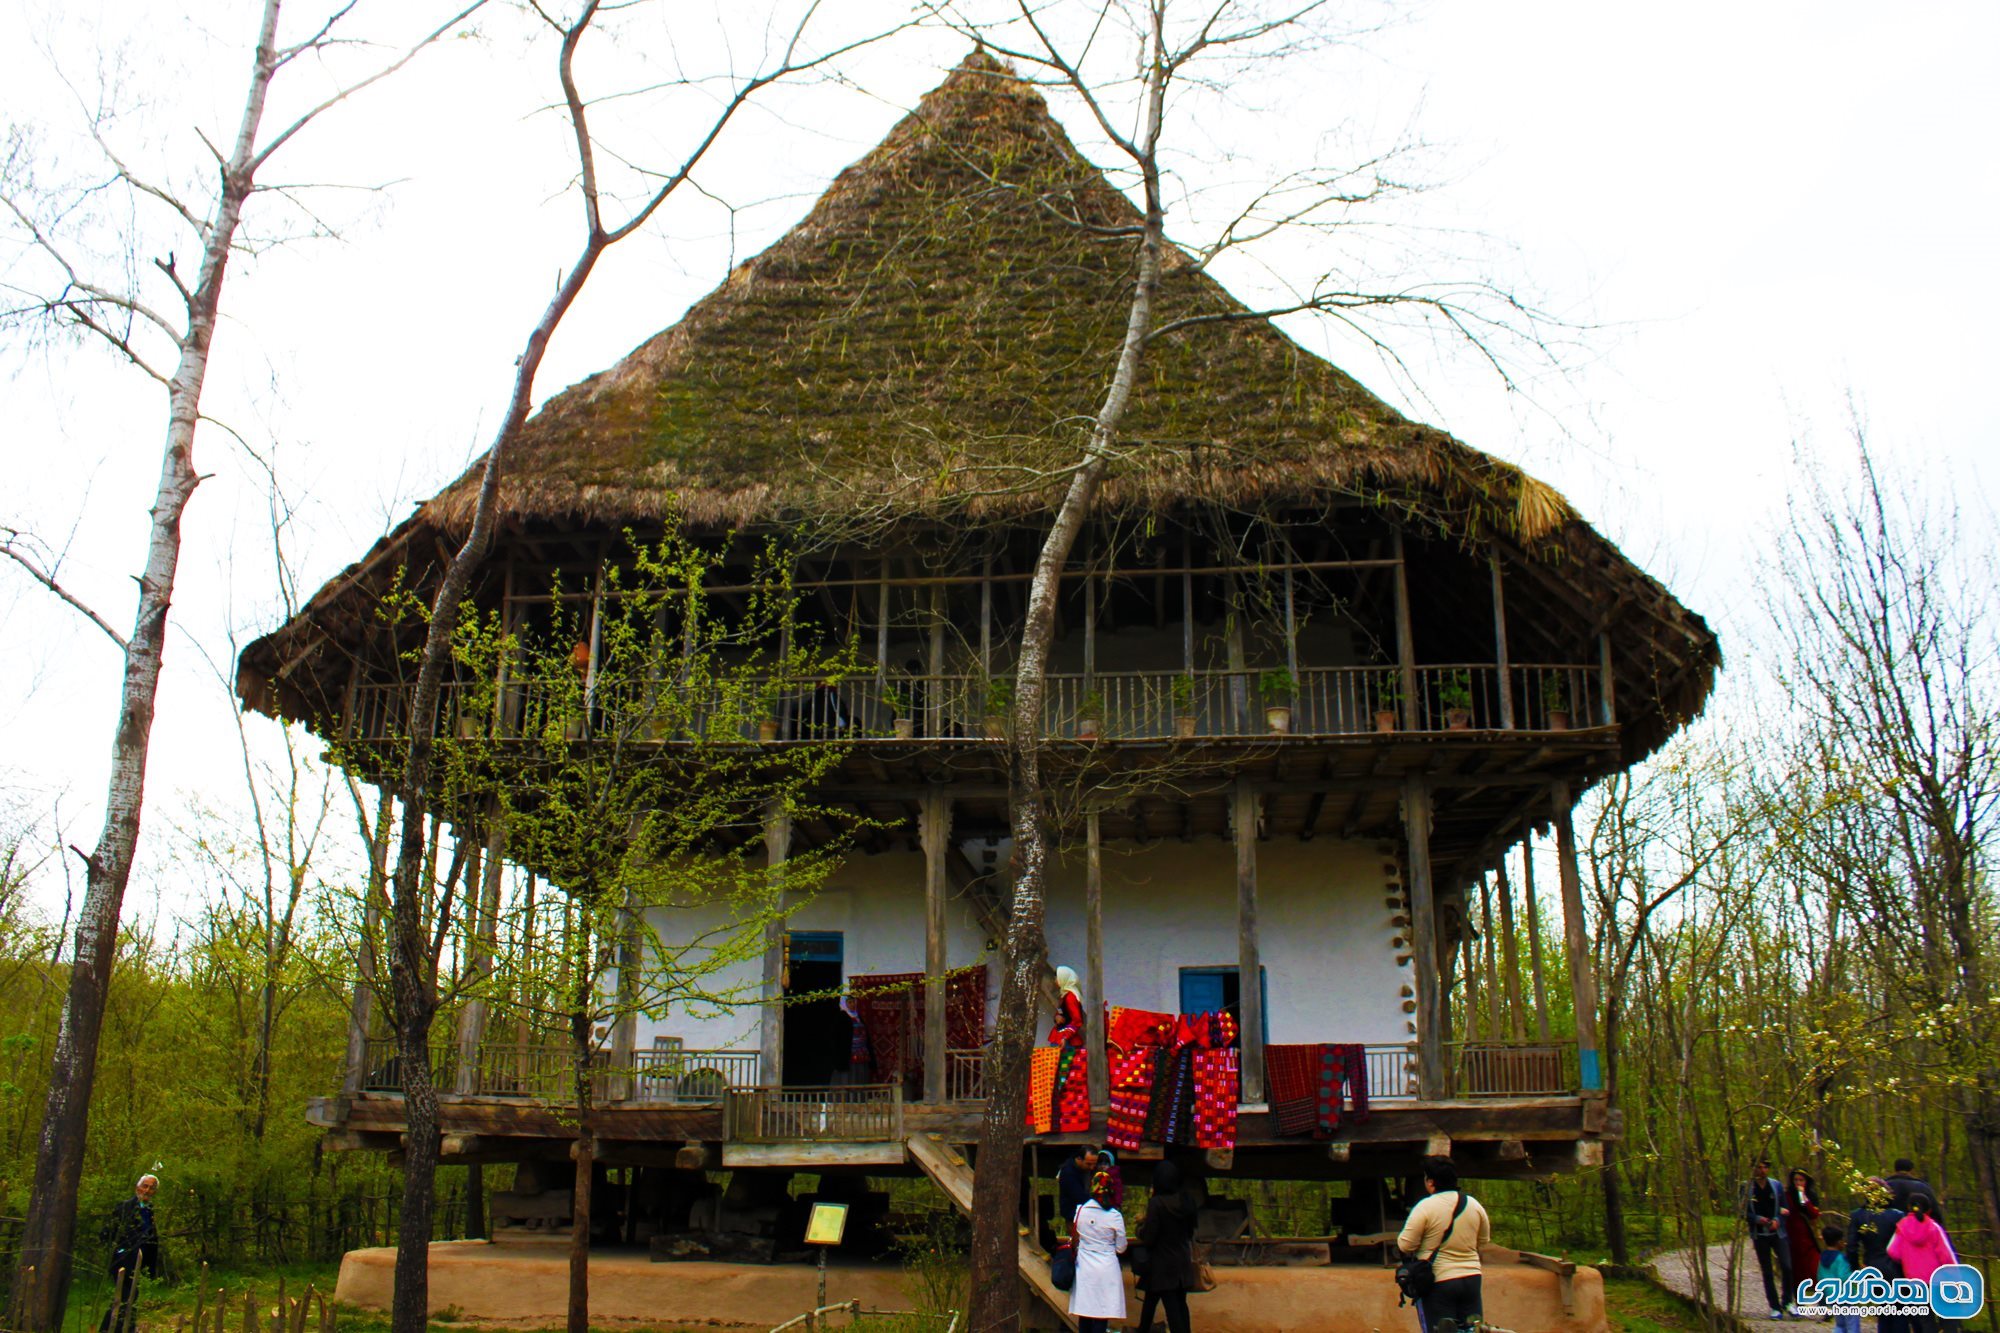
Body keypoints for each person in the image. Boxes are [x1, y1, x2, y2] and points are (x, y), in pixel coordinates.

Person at [1396, 1155, 1491, 1333]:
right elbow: (1483, 1240)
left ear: (1431, 1182)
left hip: (1439, 1282)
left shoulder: (1425, 1207)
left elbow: (1405, 1245)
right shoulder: (1473, 1204)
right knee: (1474, 1330)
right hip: (1472, 1279)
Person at [1136, 1161, 1198, 1333]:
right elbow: (1190, 1232)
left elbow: (1149, 1238)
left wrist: (1140, 1228)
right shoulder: (1186, 1200)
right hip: (1183, 1263)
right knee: (1180, 1305)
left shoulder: (1157, 1203)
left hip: (1162, 1266)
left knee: (1172, 1310)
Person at [1069, 1169, 1129, 1332]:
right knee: (1102, 1313)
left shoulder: (1080, 1211)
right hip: (1107, 1268)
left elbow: (1074, 1238)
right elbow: (1121, 1247)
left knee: (1085, 1312)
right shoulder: (1114, 1216)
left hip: (1085, 1267)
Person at [1846, 1178, 1909, 1333]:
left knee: (1883, 1310)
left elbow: (1852, 1247)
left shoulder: (1858, 1216)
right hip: (1896, 1267)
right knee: (1899, 1310)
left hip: (1872, 1267)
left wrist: (1855, 1270)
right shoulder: (1897, 1216)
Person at [100, 1174, 160, 1333]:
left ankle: (123, 1328)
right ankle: (112, 1328)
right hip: (123, 1262)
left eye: (151, 1188)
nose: (147, 1190)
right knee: (126, 1296)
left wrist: (150, 1268)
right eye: (145, 1186)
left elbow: (151, 1239)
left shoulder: (149, 1211)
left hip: (139, 1263)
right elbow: (106, 1233)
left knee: (130, 1296)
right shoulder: (125, 1207)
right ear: (137, 1188)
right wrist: (120, 1251)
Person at [1888, 1196, 1956, 1333]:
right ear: (1929, 1210)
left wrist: (1908, 1259)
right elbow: (1946, 1255)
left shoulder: (1901, 1228)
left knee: (1926, 1321)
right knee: (1947, 1317)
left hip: (1915, 1282)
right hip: (1938, 1281)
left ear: (1908, 1208)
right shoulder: (1933, 1227)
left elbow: (1892, 1251)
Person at [1741, 1159, 1792, 1320]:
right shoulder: (1747, 1187)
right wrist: (1756, 1219)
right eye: (1758, 1167)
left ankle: (1788, 1301)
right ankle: (1774, 1306)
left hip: (1778, 1233)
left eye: (1764, 1167)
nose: (1761, 1170)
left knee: (1787, 1266)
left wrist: (1777, 1220)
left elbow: (1785, 1209)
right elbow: (1742, 1211)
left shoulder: (1776, 1185)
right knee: (1767, 1270)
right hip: (1760, 1235)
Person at [1782, 1168, 1822, 1312]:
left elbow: (1814, 1214)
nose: (1798, 1183)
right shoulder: (1787, 1195)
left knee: (1816, 1269)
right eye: (1796, 1180)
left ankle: (1824, 1304)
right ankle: (1799, 1302)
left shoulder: (1810, 1195)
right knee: (1797, 1273)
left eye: (1801, 1180)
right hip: (1792, 1238)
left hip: (1808, 1238)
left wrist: (1804, 1198)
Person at [1818, 1224, 1860, 1333]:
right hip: (1846, 1296)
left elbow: (1820, 1276)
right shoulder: (1840, 1258)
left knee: (1840, 1324)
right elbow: (1844, 1276)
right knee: (1852, 1324)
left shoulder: (1822, 1258)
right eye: (1842, 1240)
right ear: (1838, 1242)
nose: (1844, 1243)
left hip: (1832, 1295)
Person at [1886, 1158, 1946, 1228]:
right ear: (1911, 1170)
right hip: (1917, 1228)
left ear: (1895, 1169)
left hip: (1889, 1230)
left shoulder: (1884, 1186)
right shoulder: (1922, 1187)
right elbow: (1934, 1212)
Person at [1058, 1144, 1104, 1229]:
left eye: (1094, 1164)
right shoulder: (1068, 1173)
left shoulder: (1088, 1170)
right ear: (1079, 1159)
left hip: (1088, 1213)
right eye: (1088, 1164)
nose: (1092, 1167)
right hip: (1074, 1215)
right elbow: (1078, 1196)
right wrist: (1099, 1206)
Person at [1050, 966, 1085, 1047]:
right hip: (1061, 1036)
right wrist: (1057, 1017)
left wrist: (1065, 1037)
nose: (1055, 981)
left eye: (1056, 978)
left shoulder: (1070, 997)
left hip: (1066, 1040)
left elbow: (1077, 1020)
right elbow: (1062, 1012)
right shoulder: (1064, 995)